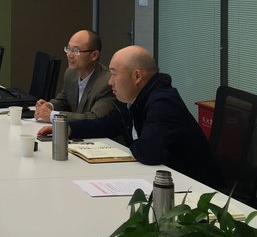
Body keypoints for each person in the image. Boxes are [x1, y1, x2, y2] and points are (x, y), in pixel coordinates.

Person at [37, 45, 223, 189]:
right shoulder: (134, 97)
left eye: (114, 74)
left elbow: (148, 152)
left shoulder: (163, 102)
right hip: (162, 180)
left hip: (195, 191)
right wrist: (67, 128)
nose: (110, 82)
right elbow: (107, 124)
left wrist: (129, 142)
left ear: (137, 76)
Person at [33, 29, 114, 122]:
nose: (69, 55)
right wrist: (49, 106)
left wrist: (52, 115)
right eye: (68, 48)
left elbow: (94, 119)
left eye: (76, 50)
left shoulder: (107, 83)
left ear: (94, 55)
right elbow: (64, 100)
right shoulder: (71, 73)